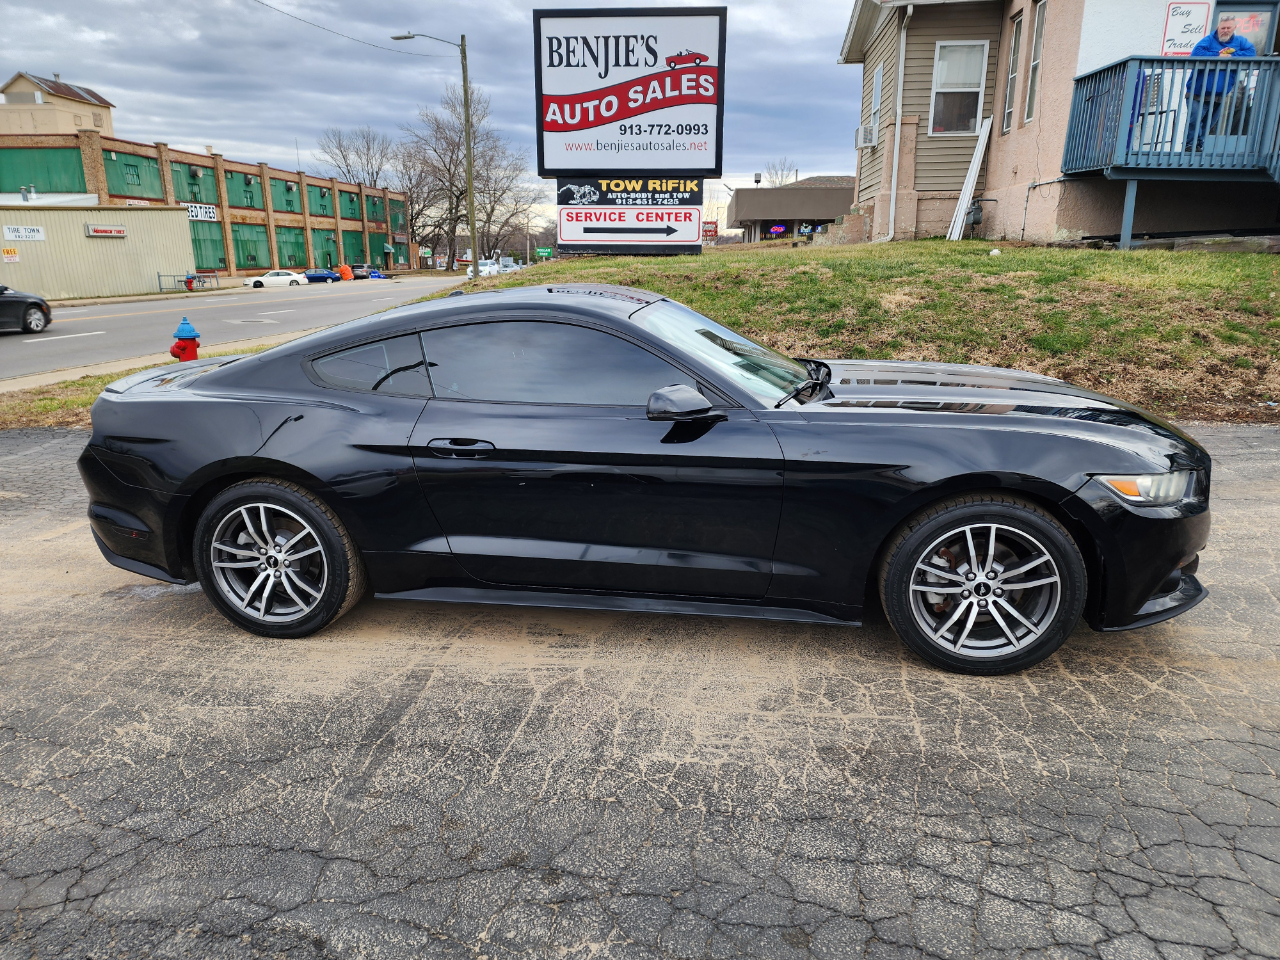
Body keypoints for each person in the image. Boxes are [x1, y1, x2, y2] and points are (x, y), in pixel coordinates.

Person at [1184, 15, 1258, 151]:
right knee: (1195, 120)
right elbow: (1196, 54)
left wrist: (1231, 56)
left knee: (1208, 123)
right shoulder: (1209, 40)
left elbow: (1251, 53)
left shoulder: (1240, 42)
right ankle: (1190, 145)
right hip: (1197, 91)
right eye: (1222, 28)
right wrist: (1218, 55)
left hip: (1220, 93)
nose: (1225, 30)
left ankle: (1198, 145)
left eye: (1228, 28)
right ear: (1218, 28)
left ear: (1234, 28)